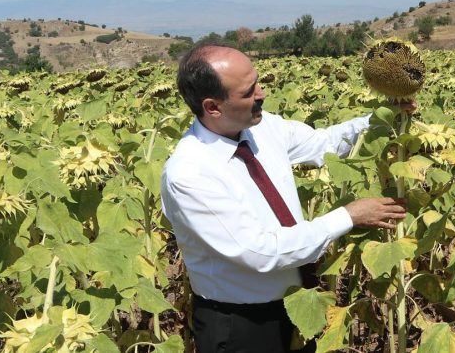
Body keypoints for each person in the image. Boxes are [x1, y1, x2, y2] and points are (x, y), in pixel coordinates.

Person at [161, 43, 410, 353]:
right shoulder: (189, 174)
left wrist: (382, 116)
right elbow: (261, 252)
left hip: (297, 304)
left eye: (257, 82)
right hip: (242, 324)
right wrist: (348, 216)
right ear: (213, 107)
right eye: (249, 91)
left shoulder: (263, 128)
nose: (262, 93)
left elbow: (323, 144)